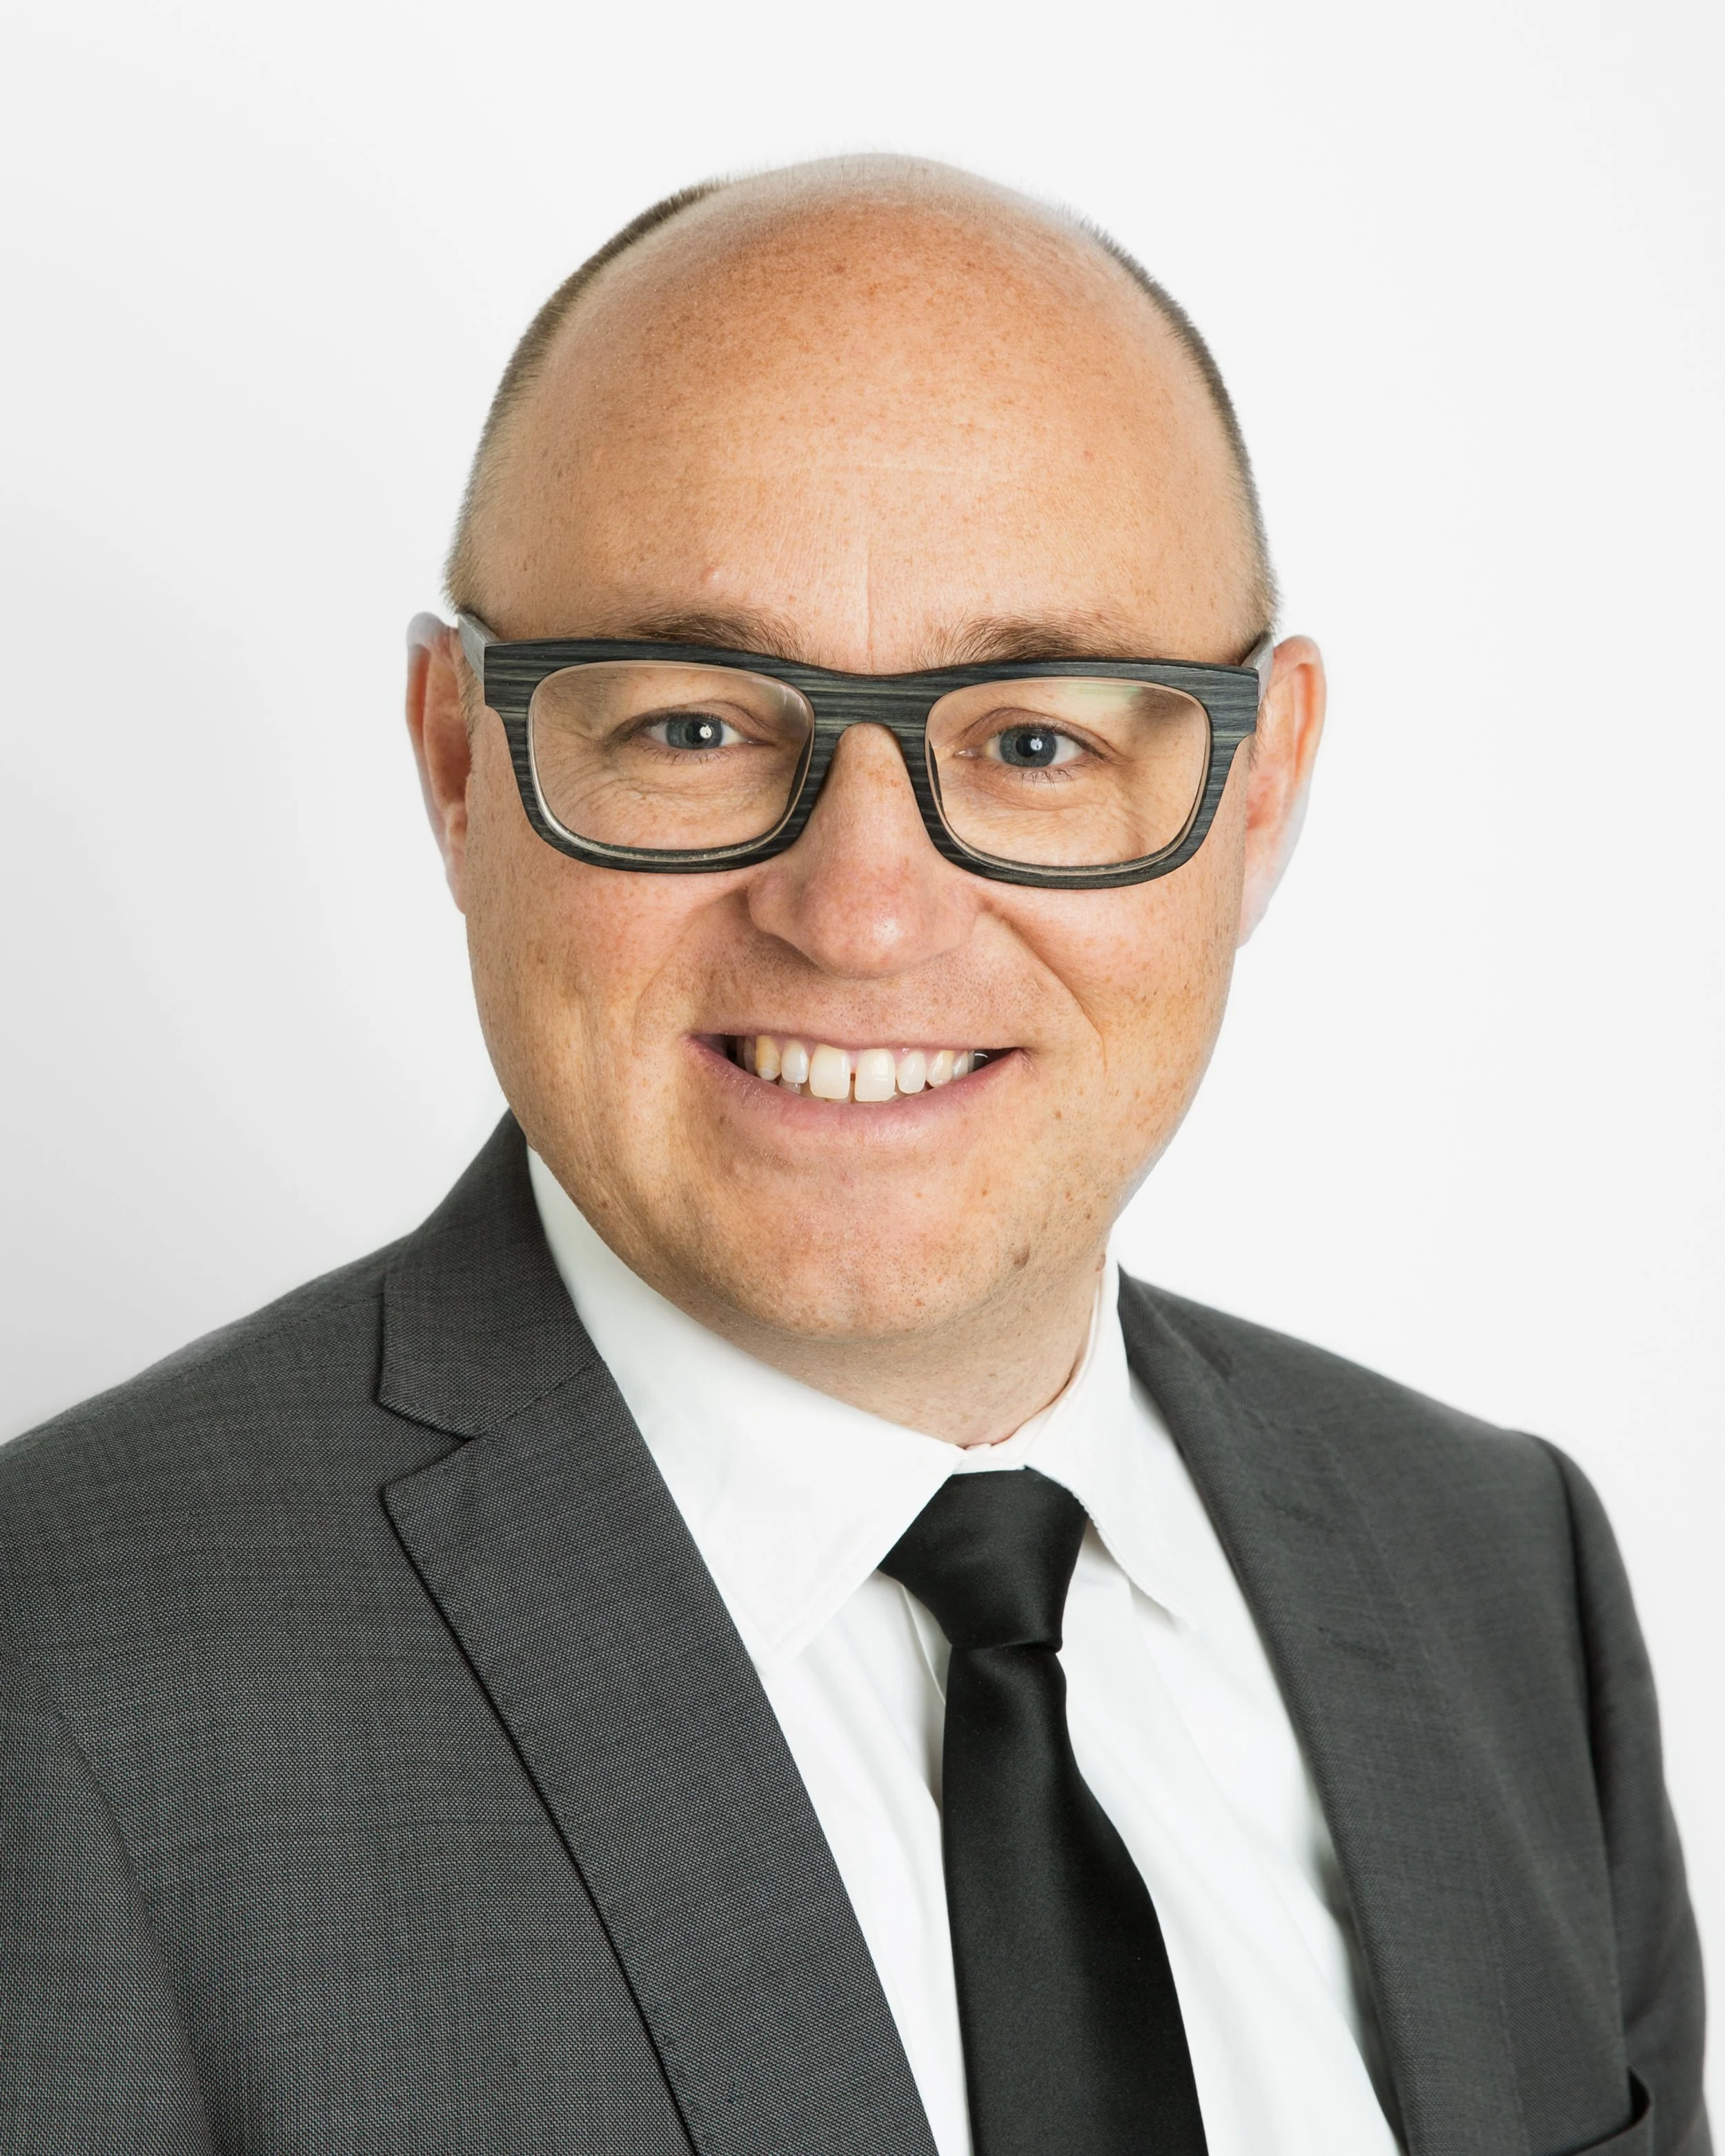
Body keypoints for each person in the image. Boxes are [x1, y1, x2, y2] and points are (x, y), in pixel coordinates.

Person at [0, 156, 1706, 2156]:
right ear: (459, 761)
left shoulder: (1498, 1571)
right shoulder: (58, 1683)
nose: (863, 908)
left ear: (1261, 790)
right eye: (696, 728)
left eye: (1038, 740)